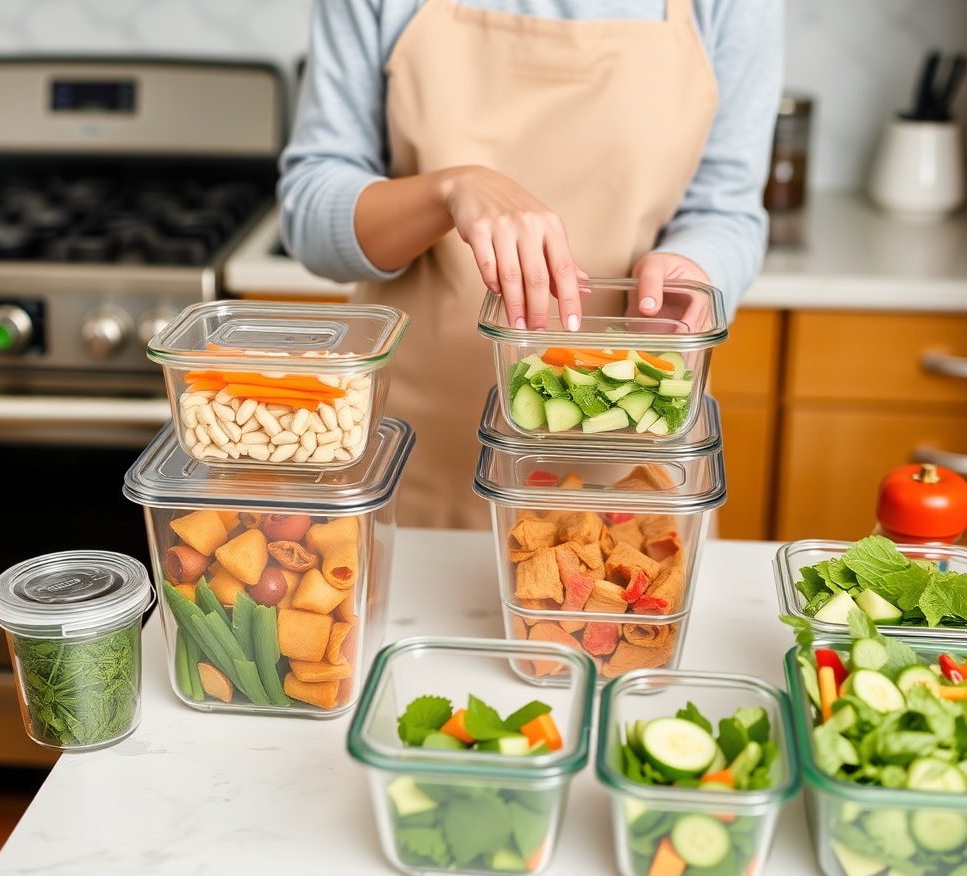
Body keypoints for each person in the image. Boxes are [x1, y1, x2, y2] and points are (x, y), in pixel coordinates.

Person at [278, 0, 784, 529]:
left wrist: (694, 267)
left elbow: (725, 210)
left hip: (633, 471)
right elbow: (309, 215)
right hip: (411, 461)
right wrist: (450, 189)